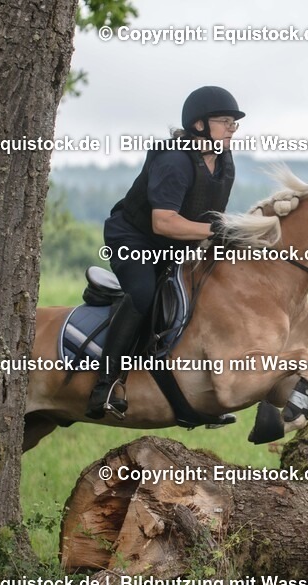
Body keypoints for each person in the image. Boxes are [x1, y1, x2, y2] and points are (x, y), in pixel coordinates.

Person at [86, 85, 244, 419]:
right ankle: (106, 384)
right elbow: (163, 222)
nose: (232, 128)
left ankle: (204, 393)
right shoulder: (174, 160)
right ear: (199, 125)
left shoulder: (225, 163)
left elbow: (209, 219)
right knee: (144, 295)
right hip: (135, 238)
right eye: (225, 121)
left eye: (235, 123)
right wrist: (219, 231)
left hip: (177, 243)